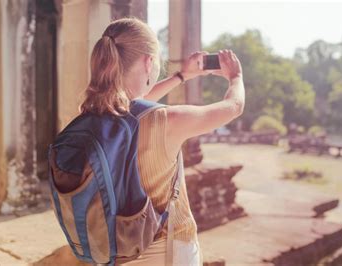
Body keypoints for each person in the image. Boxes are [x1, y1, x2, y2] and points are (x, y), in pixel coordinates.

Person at [78, 17, 245, 265]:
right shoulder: (165, 121)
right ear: (148, 62)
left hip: (111, 251)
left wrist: (181, 76)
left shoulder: (89, 115)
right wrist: (236, 77)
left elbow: (132, 104)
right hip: (167, 253)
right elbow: (234, 106)